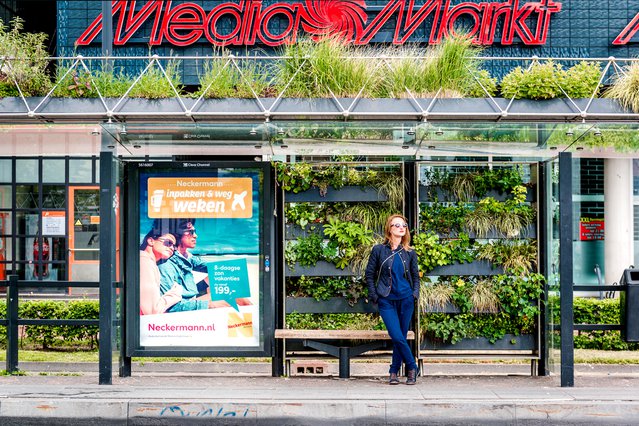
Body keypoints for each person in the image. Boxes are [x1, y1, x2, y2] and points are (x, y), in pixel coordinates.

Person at [365, 214, 420, 385]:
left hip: (406, 299)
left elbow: (415, 277)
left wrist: (414, 294)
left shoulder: (410, 253)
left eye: (404, 225)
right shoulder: (379, 250)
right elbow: (369, 274)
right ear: (389, 228)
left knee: (401, 336)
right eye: (397, 225)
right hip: (386, 300)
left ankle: (394, 372)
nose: (401, 227)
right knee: (396, 335)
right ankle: (412, 366)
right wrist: (375, 295)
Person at [139, 227, 182, 315]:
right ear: (151, 241)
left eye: (174, 246)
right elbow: (153, 310)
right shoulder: (144, 261)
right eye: (168, 243)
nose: (172, 248)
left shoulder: (148, 261)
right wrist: (175, 293)